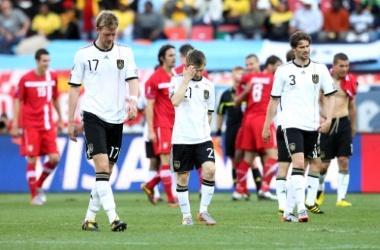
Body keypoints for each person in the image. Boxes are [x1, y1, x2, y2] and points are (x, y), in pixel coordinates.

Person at [68, 10, 139, 232]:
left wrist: (133, 100)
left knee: (105, 173)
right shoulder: (83, 55)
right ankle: (114, 218)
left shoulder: (125, 52)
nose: (111, 38)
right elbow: (73, 88)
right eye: (107, 34)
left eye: (114, 34)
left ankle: (89, 219)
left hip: (116, 118)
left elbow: (132, 79)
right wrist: (71, 120)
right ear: (98, 29)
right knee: (101, 166)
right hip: (93, 115)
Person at [262, 31, 336, 222]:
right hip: (290, 123)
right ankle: (301, 209)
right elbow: (273, 100)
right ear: (294, 49)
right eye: (301, 47)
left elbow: (329, 95)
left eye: (307, 46)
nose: (305, 50)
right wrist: (266, 125)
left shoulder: (320, 69)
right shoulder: (283, 71)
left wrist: (328, 119)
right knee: (299, 164)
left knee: (313, 164)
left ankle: (288, 211)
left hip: (312, 125)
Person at [170, 50, 217, 226]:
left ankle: (203, 211)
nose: (199, 73)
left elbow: (210, 112)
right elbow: (175, 101)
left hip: (203, 138)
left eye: (201, 69)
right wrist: (185, 79)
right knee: (183, 178)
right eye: (196, 70)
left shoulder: (209, 85)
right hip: (182, 138)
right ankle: (186, 215)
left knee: (210, 170)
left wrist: (205, 129)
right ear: (187, 67)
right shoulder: (176, 81)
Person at [10, 48, 62, 205]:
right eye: (44, 61)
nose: (47, 64)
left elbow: (55, 98)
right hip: (30, 125)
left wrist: (60, 117)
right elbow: (18, 100)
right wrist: (15, 122)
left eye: (48, 61)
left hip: (47, 125)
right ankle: (34, 196)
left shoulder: (52, 77)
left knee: (54, 158)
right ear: (37, 61)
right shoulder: (26, 79)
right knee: (32, 159)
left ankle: (38, 185)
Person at [234, 55, 282, 201]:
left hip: (248, 119)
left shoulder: (249, 78)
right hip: (262, 119)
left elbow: (238, 87)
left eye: (251, 64)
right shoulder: (272, 79)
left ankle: (239, 190)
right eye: (278, 66)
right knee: (273, 156)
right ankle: (265, 188)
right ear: (270, 66)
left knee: (248, 156)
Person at [317, 53, 357, 207]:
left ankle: (341, 198)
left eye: (347, 66)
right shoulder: (324, 80)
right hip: (328, 123)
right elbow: (317, 101)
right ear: (333, 65)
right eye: (341, 66)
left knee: (344, 160)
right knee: (323, 164)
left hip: (344, 124)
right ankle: (319, 191)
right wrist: (320, 117)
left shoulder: (350, 81)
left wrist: (353, 127)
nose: (344, 69)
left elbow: (352, 106)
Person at [141, 44, 177, 207]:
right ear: (162, 58)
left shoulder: (177, 77)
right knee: (164, 161)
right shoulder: (154, 79)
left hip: (176, 124)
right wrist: (151, 130)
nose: (174, 58)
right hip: (161, 124)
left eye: (174, 55)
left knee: (170, 162)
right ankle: (171, 199)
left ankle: (149, 186)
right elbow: (149, 106)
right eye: (170, 55)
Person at [216, 66, 244, 190]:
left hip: (245, 130)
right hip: (231, 130)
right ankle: (237, 187)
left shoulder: (248, 92)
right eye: (236, 75)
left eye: (241, 75)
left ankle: (258, 188)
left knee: (250, 159)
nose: (239, 78)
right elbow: (220, 113)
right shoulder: (226, 95)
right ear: (232, 77)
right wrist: (217, 130)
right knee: (233, 159)